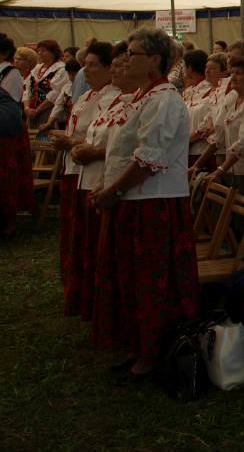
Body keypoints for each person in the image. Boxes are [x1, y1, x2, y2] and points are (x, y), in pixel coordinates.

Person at [90, 28, 199, 379]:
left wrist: (113, 190)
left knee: (151, 280)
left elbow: (148, 159)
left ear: (154, 60)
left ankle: (154, 350)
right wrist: (109, 186)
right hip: (133, 200)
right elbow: (123, 151)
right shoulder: (141, 97)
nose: (125, 60)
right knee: (132, 278)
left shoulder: (164, 100)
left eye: (133, 54)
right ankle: (138, 343)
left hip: (153, 203)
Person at [50, 42, 118, 315]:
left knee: (92, 238)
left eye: (92, 65)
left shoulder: (112, 97)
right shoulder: (87, 95)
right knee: (76, 235)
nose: (86, 70)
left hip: (94, 172)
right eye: (85, 65)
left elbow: (105, 141)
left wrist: (71, 143)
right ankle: (77, 289)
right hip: (75, 171)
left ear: (109, 68)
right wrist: (68, 140)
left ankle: (92, 296)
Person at [69, 43, 134, 321]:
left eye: (122, 65)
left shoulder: (140, 102)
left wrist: (94, 153)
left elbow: (135, 152)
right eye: (115, 65)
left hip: (120, 186)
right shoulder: (106, 100)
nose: (117, 71)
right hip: (97, 179)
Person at [196, 58, 244, 230]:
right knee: (239, 221)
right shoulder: (233, 98)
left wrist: (220, 169)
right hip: (234, 168)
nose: (233, 77)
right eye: (232, 73)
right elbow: (219, 134)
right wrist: (198, 164)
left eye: (238, 74)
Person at [0, 34, 33, 236]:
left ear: (4, 53)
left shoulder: (11, 74)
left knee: (7, 177)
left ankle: (9, 221)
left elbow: (9, 107)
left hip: (7, 133)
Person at [187, 52, 227, 168]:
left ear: (224, 72)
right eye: (206, 67)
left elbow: (209, 125)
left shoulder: (223, 93)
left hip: (211, 150)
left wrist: (187, 140)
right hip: (193, 149)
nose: (207, 71)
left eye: (213, 68)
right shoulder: (199, 91)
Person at [25, 39, 68, 131]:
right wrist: (27, 108)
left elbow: (56, 93)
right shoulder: (37, 68)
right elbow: (27, 90)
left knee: (45, 138)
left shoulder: (61, 69)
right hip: (31, 112)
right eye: (39, 51)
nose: (40, 53)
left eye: (43, 51)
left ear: (53, 53)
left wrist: (37, 110)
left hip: (49, 112)